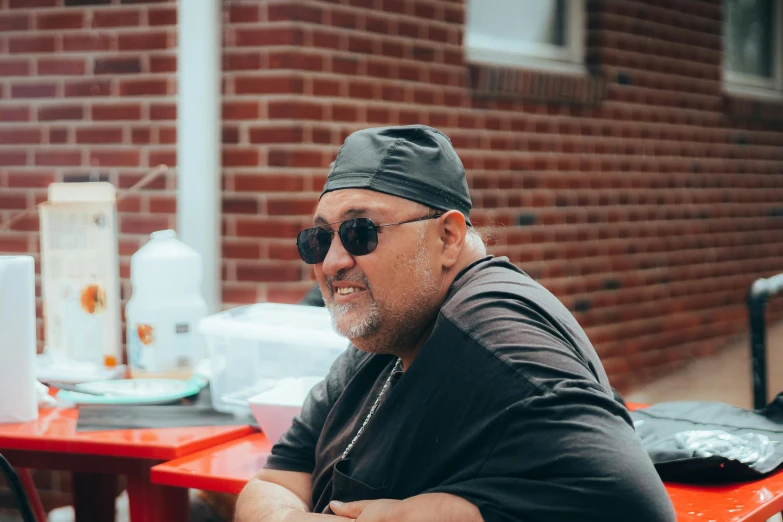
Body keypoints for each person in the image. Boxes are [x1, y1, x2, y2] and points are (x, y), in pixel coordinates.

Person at [235, 125, 676, 522]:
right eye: (319, 239)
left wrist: (444, 513)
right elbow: (274, 482)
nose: (332, 262)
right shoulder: (388, 331)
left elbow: (634, 507)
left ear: (448, 238)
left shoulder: (488, 330)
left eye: (360, 232)